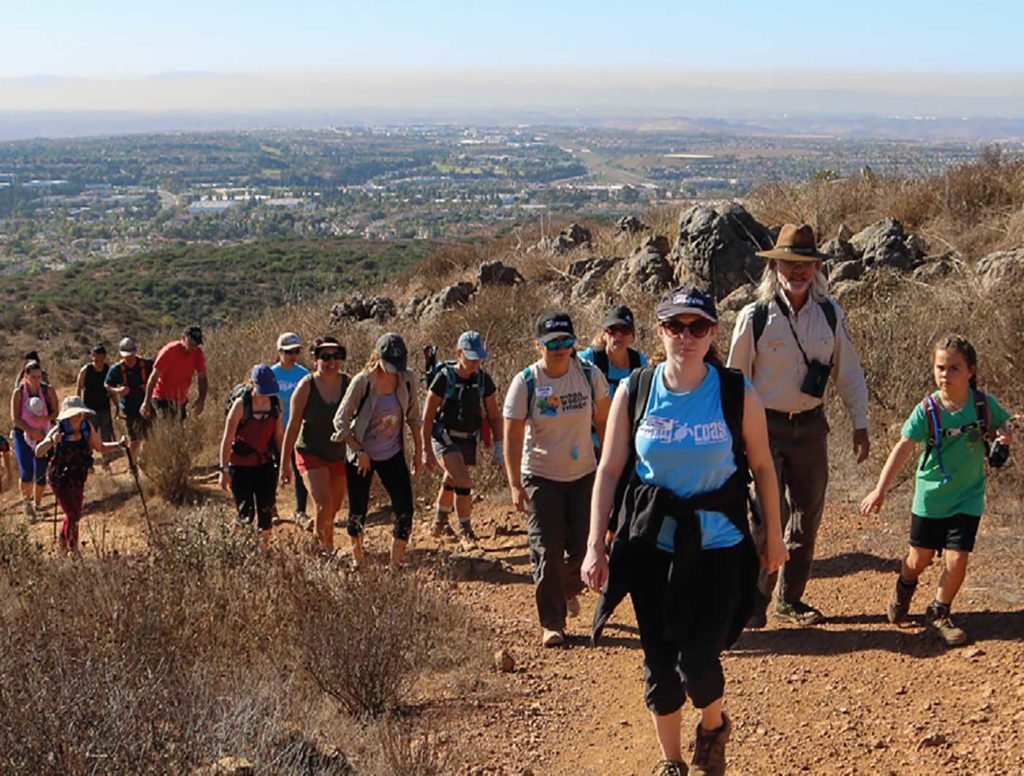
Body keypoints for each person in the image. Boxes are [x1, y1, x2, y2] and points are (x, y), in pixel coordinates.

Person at [582, 285, 787, 776]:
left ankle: (714, 726)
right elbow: (609, 471)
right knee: (659, 664)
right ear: (661, 331)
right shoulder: (636, 390)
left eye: (697, 327)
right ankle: (671, 763)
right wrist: (595, 545)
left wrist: (774, 535)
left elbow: (762, 468)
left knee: (697, 659)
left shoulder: (738, 393)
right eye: (676, 326)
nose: (686, 336)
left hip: (719, 546)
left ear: (713, 331)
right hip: (652, 545)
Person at [727, 223, 870, 627]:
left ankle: (790, 601)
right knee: (769, 514)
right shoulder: (754, 317)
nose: (798, 272)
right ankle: (756, 599)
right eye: (790, 264)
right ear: (775, 268)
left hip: (811, 427)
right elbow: (734, 382)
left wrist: (860, 424)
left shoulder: (829, 313)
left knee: (807, 515)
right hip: (763, 428)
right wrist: (733, 437)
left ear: (817, 268)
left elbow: (849, 373)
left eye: (805, 264)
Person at [860, 335, 1013, 646]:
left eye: (954, 368)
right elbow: (903, 447)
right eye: (940, 367)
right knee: (919, 559)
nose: (946, 374)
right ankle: (904, 585)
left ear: (970, 370)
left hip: (968, 496)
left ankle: (939, 611)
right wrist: (880, 490)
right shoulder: (927, 409)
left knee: (957, 561)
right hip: (931, 499)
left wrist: (1004, 436)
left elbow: (1003, 424)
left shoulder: (982, 404)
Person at [503, 310, 611, 647]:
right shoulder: (526, 382)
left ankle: (565, 589)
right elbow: (512, 435)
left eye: (566, 341)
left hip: (583, 476)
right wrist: (515, 484)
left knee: (583, 548)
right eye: (553, 343)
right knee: (547, 549)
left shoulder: (590, 375)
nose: (561, 348)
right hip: (541, 475)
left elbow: (605, 422)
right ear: (539, 345)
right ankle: (552, 622)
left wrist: (609, 468)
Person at [333, 333, 423, 571]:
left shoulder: (407, 379)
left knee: (405, 508)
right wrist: (358, 450)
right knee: (358, 511)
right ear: (378, 357)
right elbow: (340, 422)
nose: (394, 370)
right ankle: (358, 562)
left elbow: (414, 417)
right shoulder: (363, 381)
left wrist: (418, 450)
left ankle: (395, 564)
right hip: (362, 455)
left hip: (392, 453)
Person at [421, 330, 504, 545]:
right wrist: (425, 450)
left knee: (452, 477)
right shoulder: (443, 379)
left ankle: (439, 523)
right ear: (459, 354)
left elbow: (494, 415)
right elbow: (427, 417)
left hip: (468, 437)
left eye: (478, 357)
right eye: (470, 356)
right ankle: (465, 529)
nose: (475, 361)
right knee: (464, 480)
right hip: (444, 437)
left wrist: (498, 444)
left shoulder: (483, 380)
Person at [280, 336, 349, 554]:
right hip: (310, 452)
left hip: (338, 453)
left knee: (334, 507)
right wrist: (284, 464)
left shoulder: (349, 383)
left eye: (337, 356)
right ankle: (325, 552)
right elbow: (292, 427)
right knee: (323, 503)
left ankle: (317, 539)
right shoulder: (305, 387)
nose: (332, 361)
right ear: (315, 359)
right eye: (326, 356)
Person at [34, 396, 127, 554]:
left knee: (75, 512)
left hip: (78, 476)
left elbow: (101, 447)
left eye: (80, 414)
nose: (79, 417)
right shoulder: (59, 429)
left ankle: (63, 540)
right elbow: (38, 451)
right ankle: (73, 548)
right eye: (76, 414)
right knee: (72, 513)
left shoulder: (86, 427)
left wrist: (119, 445)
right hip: (60, 478)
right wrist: (51, 441)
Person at [219, 365, 284, 550]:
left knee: (266, 510)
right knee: (245, 513)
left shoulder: (276, 404)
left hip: (265, 464)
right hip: (240, 467)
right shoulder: (241, 405)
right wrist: (223, 470)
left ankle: (263, 550)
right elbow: (227, 438)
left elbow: (279, 435)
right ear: (252, 384)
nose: (265, 395)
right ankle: (242, 550)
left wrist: (285, 463)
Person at [10, 360, 58, 519]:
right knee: (26, 471)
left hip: (43, 433)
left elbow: (56, 413)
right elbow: (15, 419)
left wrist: (44, 419)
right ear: (26, 376)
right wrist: (30, 430)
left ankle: (37, 505)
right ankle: (27, 504)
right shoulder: (18, 393)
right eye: (33, 377)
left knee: (41, 472)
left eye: (39, 377)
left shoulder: (47, 390)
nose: (37, 380)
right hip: (22, 433)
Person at [271, 332, 310, 526]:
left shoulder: (304, 375)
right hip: (273, 432)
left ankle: (300, 511)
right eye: (288, 352)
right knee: (272, 469)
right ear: (279, 352)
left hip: (297, 431)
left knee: (300, 470)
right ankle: (271, 508)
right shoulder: (271, 374)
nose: (293, 356)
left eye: (296, 351)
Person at [579, 304, 648, 396]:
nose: (618, 335)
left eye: (625, 330)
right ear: (604, 334)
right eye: (612, 329)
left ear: (632, 336)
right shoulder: (590, 359)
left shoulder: (639, 362)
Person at [141, 325, 208, 420]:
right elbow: (153, 377)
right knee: (167, 427)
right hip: (162, 397)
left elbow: (202, 377)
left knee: (179, 431)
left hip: (181, 399)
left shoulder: (197, 353)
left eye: (196, 344)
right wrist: (146, 402)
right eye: (191, 343)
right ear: (183, 338)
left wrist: (201, 399)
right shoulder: (168, 351)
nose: (193, 347)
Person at [104, 337, 155, 458]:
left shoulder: (147, 364)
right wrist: (118, 391)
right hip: (129, 409)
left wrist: (148, 386)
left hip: (147, 406)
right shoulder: (116, 369)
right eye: (126, 356)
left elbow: (158, 378)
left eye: (131, 355)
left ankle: (144, 459)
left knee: (150, 436)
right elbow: (107, 385)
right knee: (134, 440)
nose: (129, 359)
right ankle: (132, 465)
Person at [76, 344, 115, 444]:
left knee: (106, 433)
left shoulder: (108, 370)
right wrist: (78, 407)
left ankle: (108, 457)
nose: (99, 363)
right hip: (89, 407)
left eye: (101, 360)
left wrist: (116, 404)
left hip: (104, 406)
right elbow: (79, 389)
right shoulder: (85, 370)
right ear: (92, 357)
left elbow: (111, 389)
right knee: (89, 433)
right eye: (96, 360)